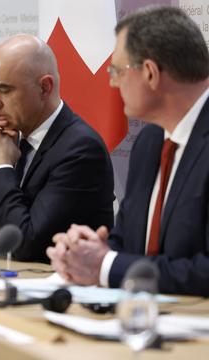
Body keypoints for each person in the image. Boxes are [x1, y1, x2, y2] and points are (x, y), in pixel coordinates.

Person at [48, 6, 209, 296]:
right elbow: (128, 242)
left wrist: (108, 265)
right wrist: (91, 252)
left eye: (117, 70)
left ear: (150, 73)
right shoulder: (149, 142)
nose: (111, 82)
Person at [0, 35, 115, 262]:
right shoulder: (9, 141)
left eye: (4, 90)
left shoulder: (80, 149)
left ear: (44, 88)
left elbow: (26, 244)